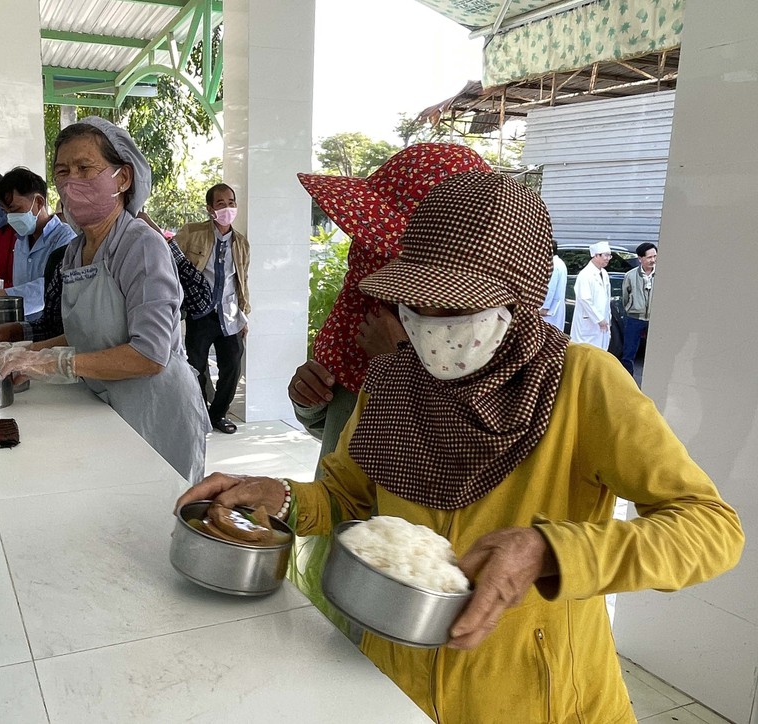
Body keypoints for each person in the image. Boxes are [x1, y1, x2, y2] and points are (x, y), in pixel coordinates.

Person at [176, 171, 743, 722]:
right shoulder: (396, 379)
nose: (429, 325)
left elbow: (711, 528)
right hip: (393, 688)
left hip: (541, 699)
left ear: (518, 298)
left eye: (457, 306)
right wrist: (280, 497)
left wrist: (551, 552)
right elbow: (346, 497)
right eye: (417, 303)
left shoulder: (581, 384)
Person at [285, 144, 490, 633]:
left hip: (422, 580)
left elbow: (459, 455)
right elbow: (336, 435)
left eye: (390, 250)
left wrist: (397, 362)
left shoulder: (485, 350)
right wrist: (307, 396)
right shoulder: (367, 311)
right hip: (350, 544)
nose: (374, 268)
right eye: (369, 245)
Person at [0, 117, 208, 483]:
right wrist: (22, 351)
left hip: (155, 409)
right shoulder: (75, 252)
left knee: (151, 516)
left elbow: (151, 354)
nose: (72, 181)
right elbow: (85, 335)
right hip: (106, 401)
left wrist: (56, 363)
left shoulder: (141, 245)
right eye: (62, 171)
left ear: (122, 179)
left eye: (85, 168)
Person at [0, 212, 211, 345]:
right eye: (64, 173)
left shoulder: (146, 249)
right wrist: (18, 332)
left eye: (86, 170)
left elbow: (200, 301)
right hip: (92, 393)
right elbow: (54, 325)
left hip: (147, 398)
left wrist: (167, 245)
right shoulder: (66, 257)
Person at [175, 184, 251, 435]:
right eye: (221, 203)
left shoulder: (241, 243)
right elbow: (170, 261)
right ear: (210, 208)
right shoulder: (192, 233)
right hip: (200, 313)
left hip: (229, 314)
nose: (227, 208)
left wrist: (244, 314)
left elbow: (242, 280)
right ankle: (198, 415)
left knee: (232, 366)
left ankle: (217, 415)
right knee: (196, 366)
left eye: (231, 202)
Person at [0, 167, 75, 319]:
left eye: (16, 209)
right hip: (26, 327)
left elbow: (48, 289)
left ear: (39, 202)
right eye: (6, 212)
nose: (11, 217)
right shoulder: (21, 241)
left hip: (57, 329)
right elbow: (19, 287)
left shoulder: (65, 239)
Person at [621, 242, 656, 377]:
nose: (652, 260)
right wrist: (631, 308)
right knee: (629, 352)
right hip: (634, 318)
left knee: (656, 351)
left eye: (654, 256)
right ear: (640, 258)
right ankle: (627, 381)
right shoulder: (630, 275)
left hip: (655, 318)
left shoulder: (662, 273)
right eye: (649, 257)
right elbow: (625, 296)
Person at [570, 240, 613, 349]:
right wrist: (599, 319)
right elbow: (585, 299)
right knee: (586, 351)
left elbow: (606, 298)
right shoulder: (585, 274)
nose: (608, 258)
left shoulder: (604, 273)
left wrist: (607, 318)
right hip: (588, 322)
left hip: (602, 321)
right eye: (606, 255)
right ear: (596, 256)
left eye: (609, 255)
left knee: (600, 352)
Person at [539, 240, 567, 331]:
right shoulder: (560, 263)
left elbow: (550, 288)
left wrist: (545, 307)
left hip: (549, 309)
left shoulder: (553, 265)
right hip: (556, 308)